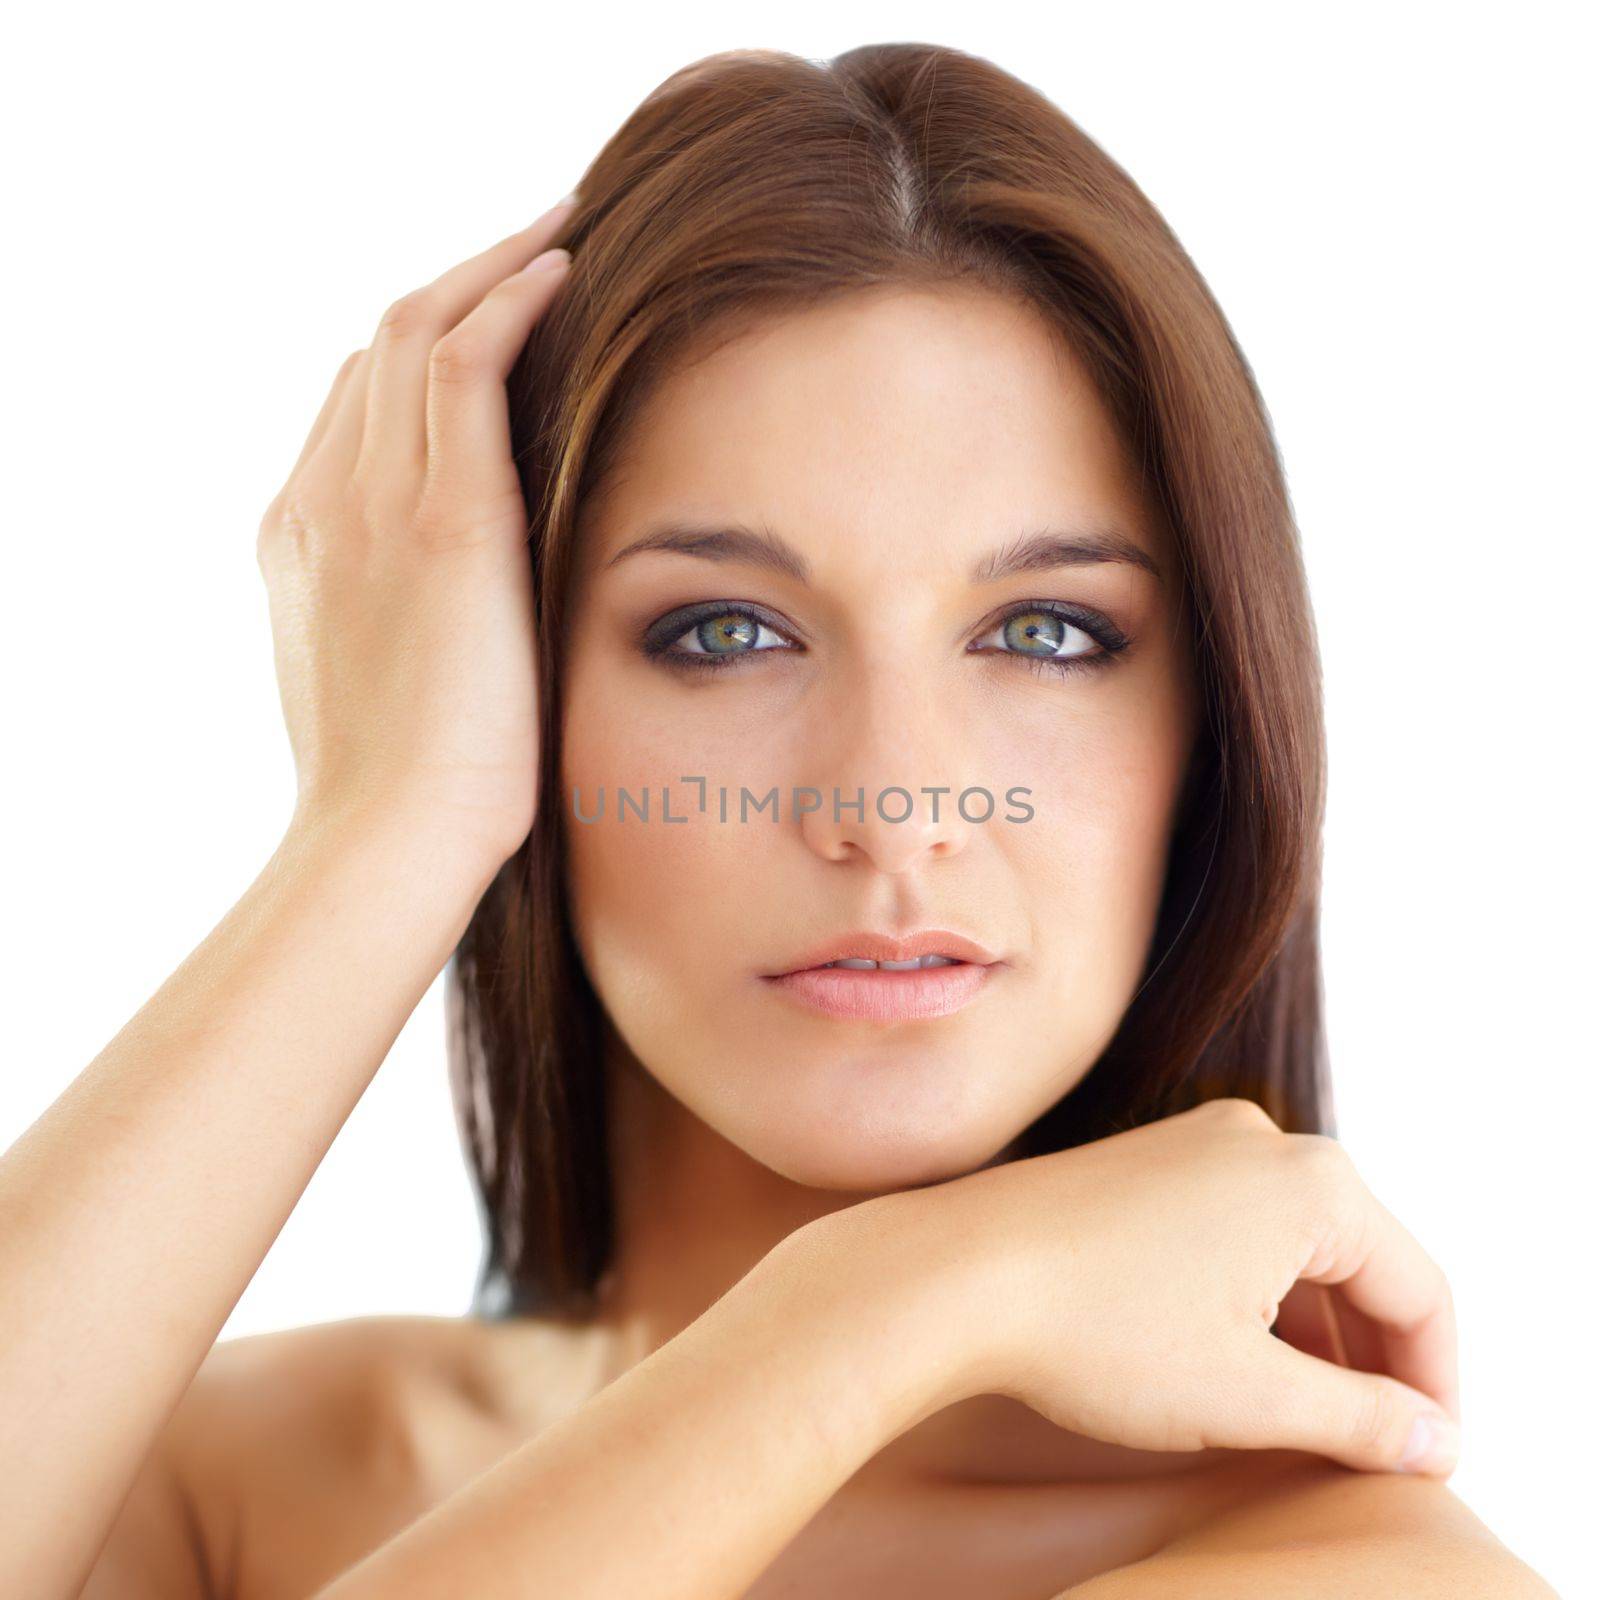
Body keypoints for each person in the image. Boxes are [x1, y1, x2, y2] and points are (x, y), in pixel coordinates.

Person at [1, 42, 1556, 1600]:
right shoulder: (230, 1471)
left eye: (1047, 633)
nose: (892, 808)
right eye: (725, 633)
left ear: (1213, 736)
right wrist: (383, 822)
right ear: (506, 681)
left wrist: (899, 1302)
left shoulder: (1348, 1574)